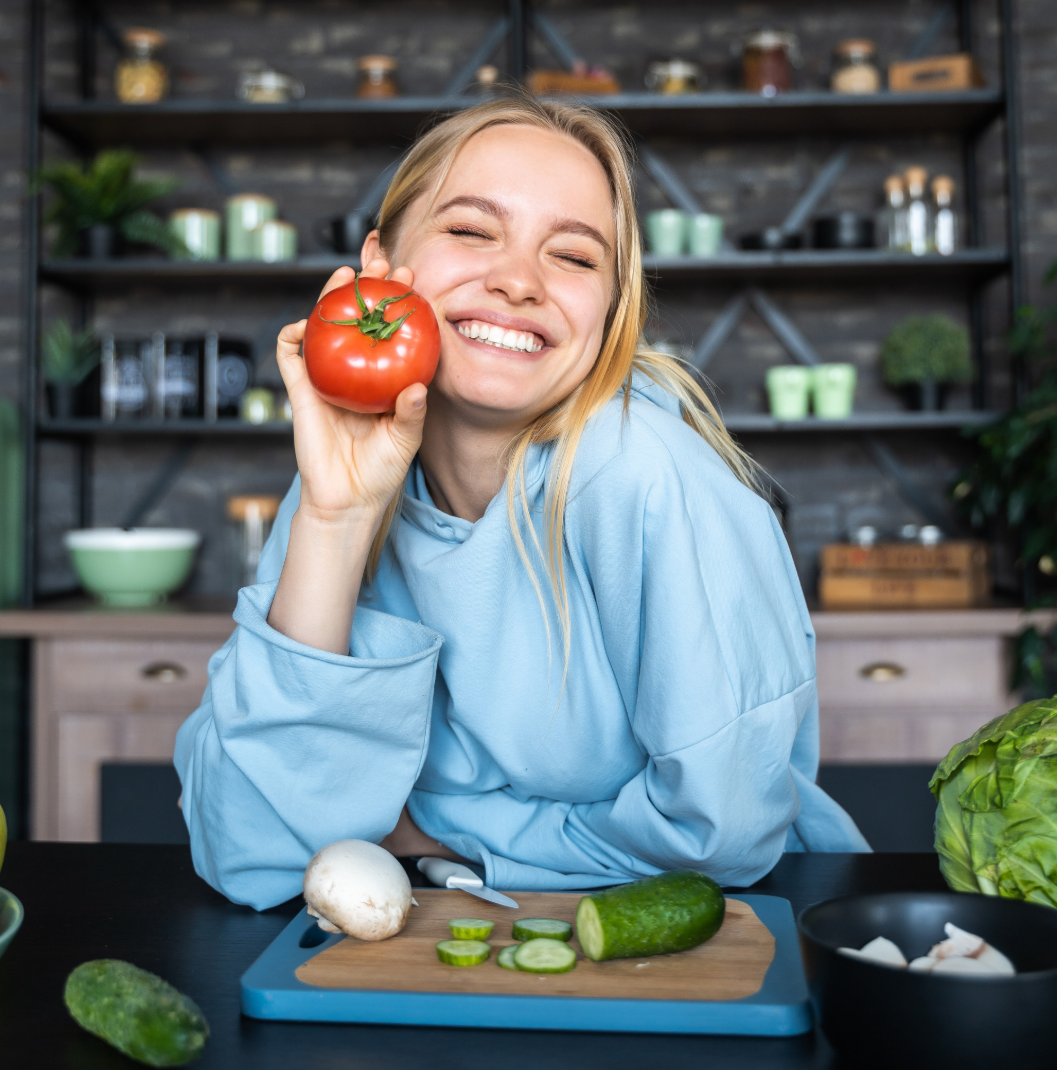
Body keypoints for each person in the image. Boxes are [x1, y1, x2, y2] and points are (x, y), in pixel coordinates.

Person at [175, 94, 868, 911]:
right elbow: (248, 848)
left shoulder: (646, 477)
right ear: (380, 265)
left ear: (610, 309)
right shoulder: (349, 468)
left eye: (574, 257)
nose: (517, 280)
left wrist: (436, 840)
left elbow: (719, 834)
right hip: (456, 940)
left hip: (725, 937)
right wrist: (337, 520)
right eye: (470, 231)